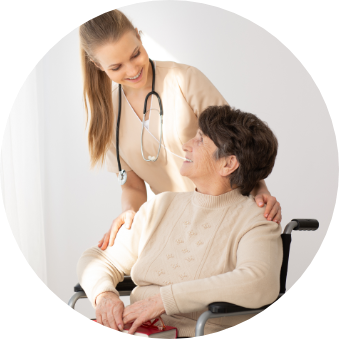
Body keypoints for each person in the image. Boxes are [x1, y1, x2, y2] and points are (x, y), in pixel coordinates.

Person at [79, 9, 282, 251]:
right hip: (180, 227)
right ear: (97, 65)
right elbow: (132, 186)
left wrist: (260, 190)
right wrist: (130, 214)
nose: (132, 70)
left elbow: (239, 142)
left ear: (138, 36)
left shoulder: (184, 79)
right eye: (116, 67)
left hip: (229, 214)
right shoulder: (108, 116)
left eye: (136, 54)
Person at [77, 105, 283, 337]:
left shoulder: (257, 218)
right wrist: (104, 295)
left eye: (200, 140)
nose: (186, 145)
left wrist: (165, 300)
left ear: (228, 164)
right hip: (139, 330)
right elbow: (97, 259)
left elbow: (259, 282)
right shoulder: (161, 206)